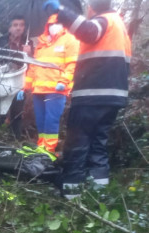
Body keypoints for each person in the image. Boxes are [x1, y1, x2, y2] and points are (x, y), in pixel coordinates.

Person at [43, 0, 132, 199]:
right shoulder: (119, 25)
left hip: (93, 95)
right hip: (112, 97)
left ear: (92, 7)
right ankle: (98, 193)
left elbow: (88, 31)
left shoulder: (103, 21)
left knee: (77, 144)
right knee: (97, 144)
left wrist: (62, 12)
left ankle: (72, 196)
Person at [16, 15, 79, 155]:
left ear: (63, 25)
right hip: (39, 90)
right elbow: (34, 67)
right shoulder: (42, 44)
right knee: (41, 120)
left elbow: (72, 65)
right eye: (50, 24)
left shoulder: (70, 40)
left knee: (51, 120)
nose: (53, 26)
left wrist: (64, 81)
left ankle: (48, 150)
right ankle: (42, 147)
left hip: (56, 90)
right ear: (47, 26)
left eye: (57, 23)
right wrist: (25, 87)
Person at [0, 15, 32, 140]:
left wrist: (29, 54)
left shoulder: (28, 43)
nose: (18, 28)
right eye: (15, 25)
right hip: (3, 80)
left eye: (21, 25)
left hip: (20, 82)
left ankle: (15, 139)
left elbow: (33, 65)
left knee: (17, 112)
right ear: (9, 28)